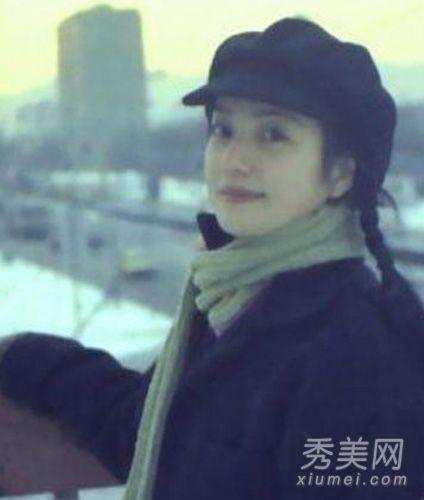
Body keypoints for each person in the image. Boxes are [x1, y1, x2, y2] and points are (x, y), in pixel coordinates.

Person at [1, 17, 424, 500]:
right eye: (223, 130)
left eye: (273, 134)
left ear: (339, 175)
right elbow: (151, 430)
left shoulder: (356, 358)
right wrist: (24, 356)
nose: (233, 159)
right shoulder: (233, 299)